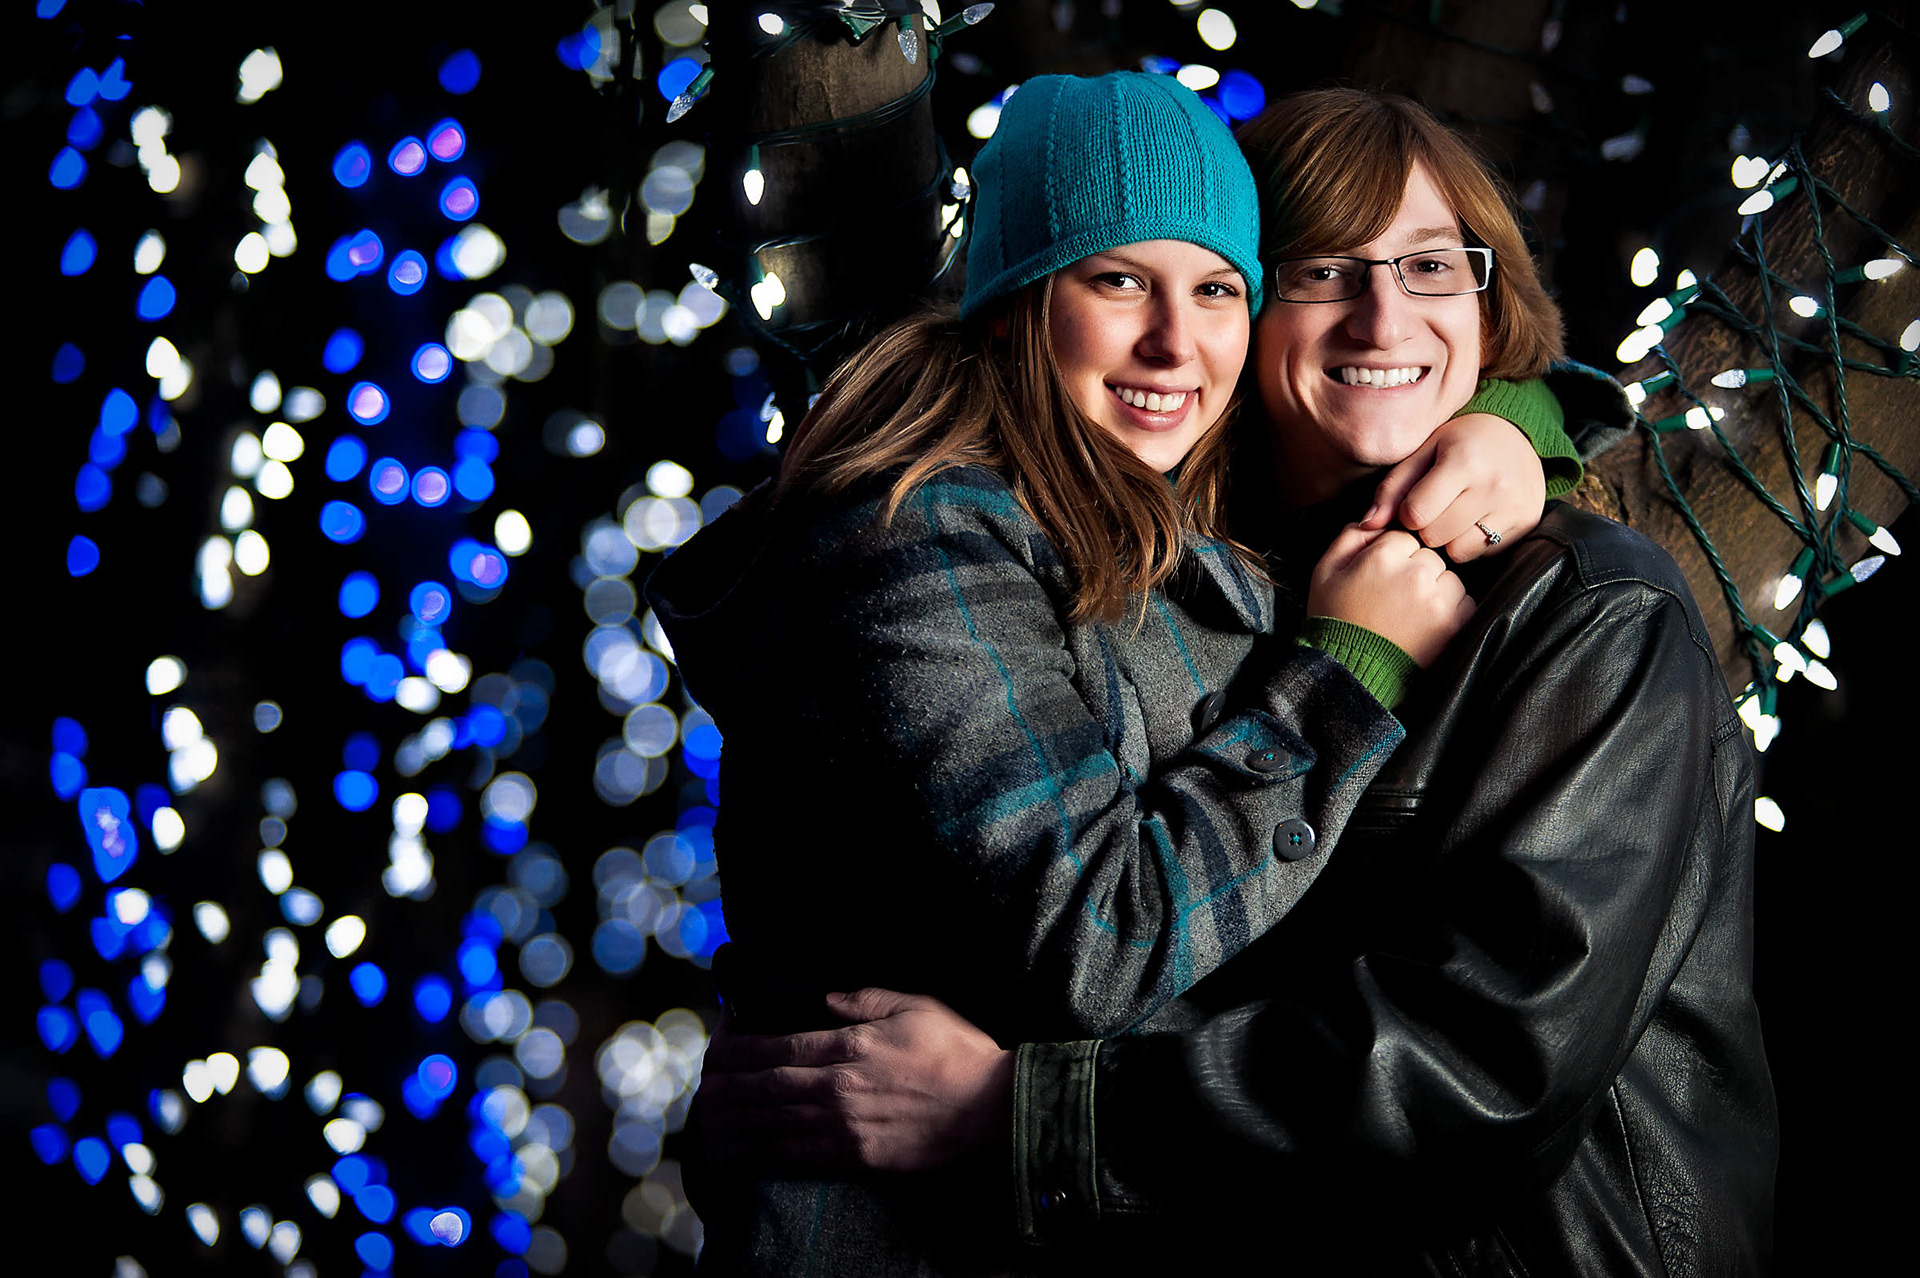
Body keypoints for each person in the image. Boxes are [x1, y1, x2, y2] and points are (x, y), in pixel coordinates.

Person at [692, 88, 1779, 1275]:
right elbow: (1124, 933)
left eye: (1431, 268)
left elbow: (1488, 1068)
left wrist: (1018, 1115)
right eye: (1323, 273)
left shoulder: (1589, 610)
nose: (1383, 317)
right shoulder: (1162, 562)